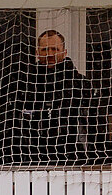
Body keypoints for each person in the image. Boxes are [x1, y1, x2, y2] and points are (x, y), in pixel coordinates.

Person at [9, 30, 91, 165]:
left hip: (73, 157)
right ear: (37, 52)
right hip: (31, 157)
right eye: (45, 49)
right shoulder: (25, 84)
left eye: (55, 49)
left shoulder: (80, 84)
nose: (50, 54)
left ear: (64, 52)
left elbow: (92, 122)